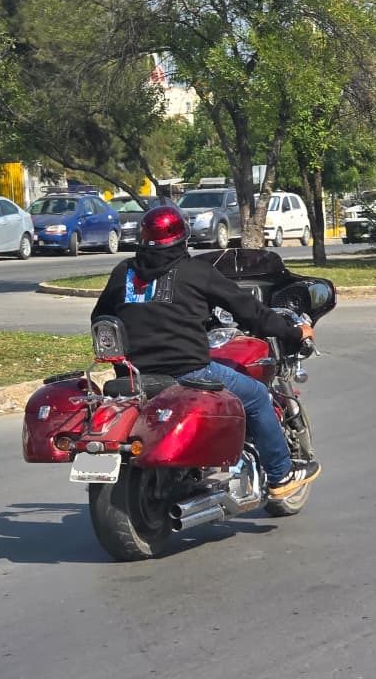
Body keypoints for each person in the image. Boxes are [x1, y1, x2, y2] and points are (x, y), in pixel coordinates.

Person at [90, 204, 321, 500]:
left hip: (133, 376)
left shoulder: (124, 272)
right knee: (257, 396)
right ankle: (280, 475)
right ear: (182, 237)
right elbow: (250, 312)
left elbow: (101, 318)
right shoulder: (195, 271)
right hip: (189, 372)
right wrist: (293, 332)